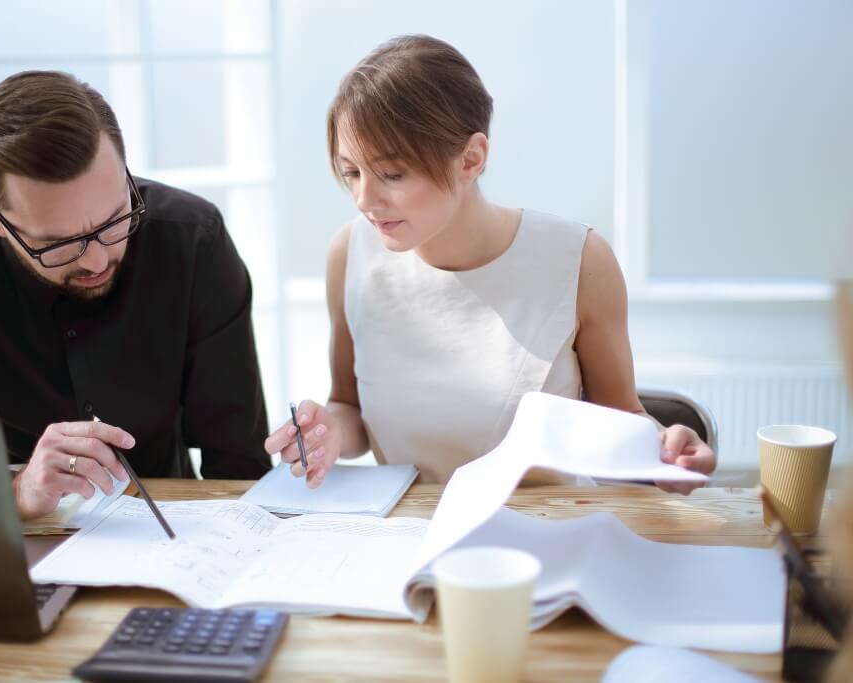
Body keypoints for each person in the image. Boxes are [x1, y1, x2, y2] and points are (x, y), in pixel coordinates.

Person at [264, 35, 715, 492]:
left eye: (392, 174)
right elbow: (349, 405)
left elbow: (621, 422)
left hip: (540, 535)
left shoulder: (578, 261)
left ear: (472, 158)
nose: (364, 200)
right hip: (402, 537)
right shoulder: (350, 255)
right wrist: (330, 434)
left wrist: (665, 449)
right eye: (351, 173)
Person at [0, 71, 271, 518]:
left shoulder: (194, 241)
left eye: (115, 220)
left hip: (168, 536)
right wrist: (13, 490)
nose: (97, 261)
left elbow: (239, 465)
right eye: (59, 244)